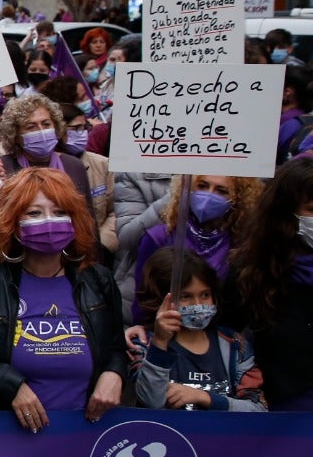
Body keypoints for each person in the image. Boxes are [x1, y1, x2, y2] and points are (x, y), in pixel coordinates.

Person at [0, 168, 126, 430]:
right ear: (13, 222)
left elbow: (115, 347)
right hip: (7, 439)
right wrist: (10, 384)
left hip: (86, 435)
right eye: (34, 213)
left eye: (59, 212)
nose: (49, 221)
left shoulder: (98, 281)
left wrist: (114, 372)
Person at [131, 249, 264, 411]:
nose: (197, 304)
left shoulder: (236, 344)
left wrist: (206, 398)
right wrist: (159, 343)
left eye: (205, 295)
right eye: (186, 297)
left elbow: (258, 409)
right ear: (161, 298)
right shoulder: (143, 344)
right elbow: (150, 401)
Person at [229, 157, 313, 410]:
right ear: (285, 213)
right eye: (312, 208)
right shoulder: (251, 269)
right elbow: (224, 330)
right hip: (282, 408)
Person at [130, 174, 259, 317]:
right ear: (188, 188)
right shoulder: (159, 238)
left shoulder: (240, 245)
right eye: (202, 186)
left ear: (236, 200)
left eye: (221, 191)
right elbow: (142, 301)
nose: (208, 195)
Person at [0, 94, 93, 211]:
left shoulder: (73, 165)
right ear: (16, 136)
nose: (41, 131)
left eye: (46, 124)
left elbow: (88, 218)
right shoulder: (2, 167)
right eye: (31, 127)